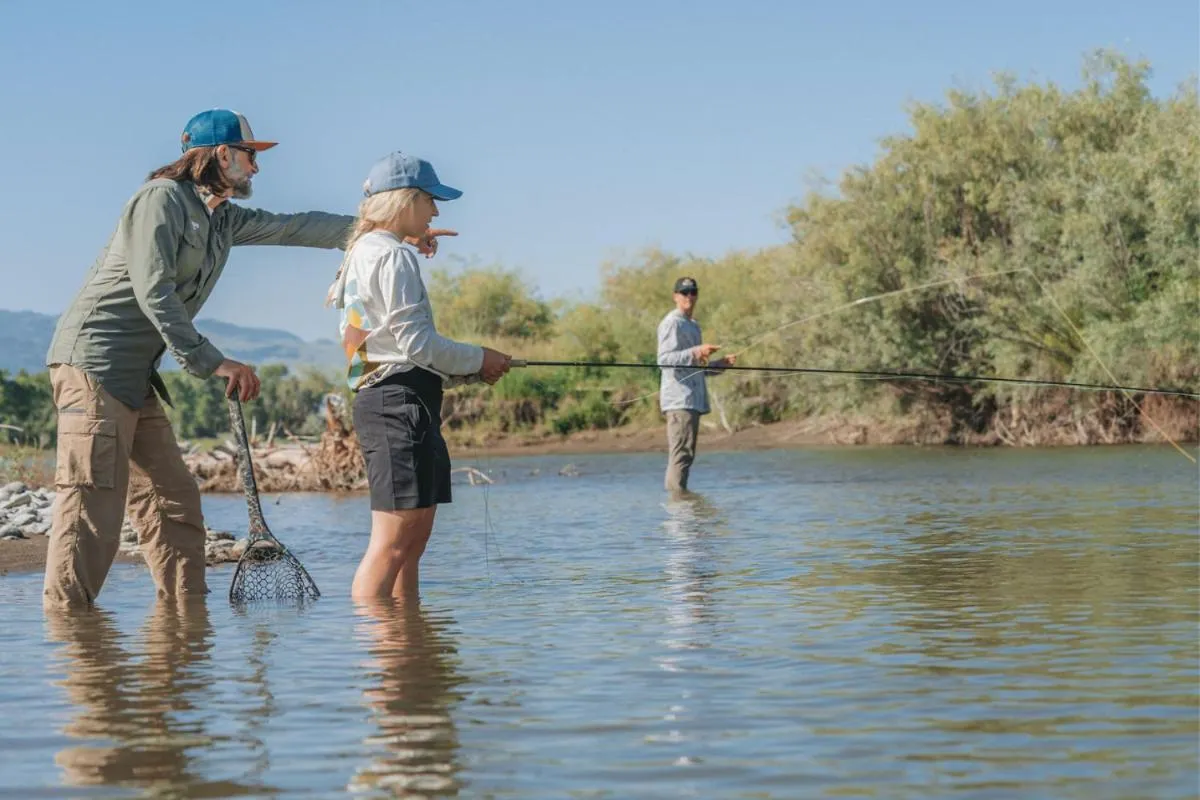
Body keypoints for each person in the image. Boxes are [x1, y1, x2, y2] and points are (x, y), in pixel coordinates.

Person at [41, 109, 449, 609]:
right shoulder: (159, 200)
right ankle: (69, 634)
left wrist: (392, 232)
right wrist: (213, 361)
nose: (257, 168)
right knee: (92, 508)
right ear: (221, 155)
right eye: (250, 156)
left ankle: (184, 631)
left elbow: (295, 227)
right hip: (93, 367)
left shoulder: (222, 217)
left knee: (176, 503)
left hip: (135, 378)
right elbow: (155, 292)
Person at [325, 151, 511, 600]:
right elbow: (416, 344)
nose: (436, 211)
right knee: (391, 545)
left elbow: (399, 346)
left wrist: (466, 372)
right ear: (405, 201)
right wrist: (479, 358)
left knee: (413, 541)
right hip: (395, 402)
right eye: (430, 200)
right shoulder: (390, 257)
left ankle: (410, 648)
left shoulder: (368, 251)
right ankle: (384, 658)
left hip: (405, 398)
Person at [656, 277, 736, 493]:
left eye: (693, 292)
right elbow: (664, 360)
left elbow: (696, 367)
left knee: (686, 456)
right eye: (684, 293)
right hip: (679, 400)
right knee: (681, 455)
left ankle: (683, 507)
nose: (689, 296)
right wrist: (696, 352)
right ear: (675, 297)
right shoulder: (672, 323)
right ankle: (678, 510)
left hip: (692, 401)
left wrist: (719, 365)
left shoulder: (693, 325)